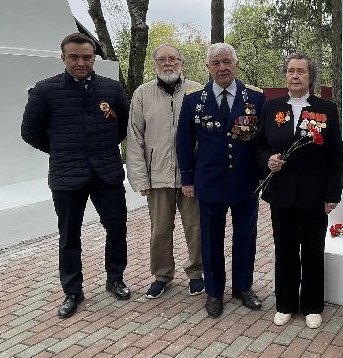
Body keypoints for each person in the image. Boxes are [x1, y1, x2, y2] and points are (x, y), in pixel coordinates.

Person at [21, 32, 131, 319]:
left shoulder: (112, 89)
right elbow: (30, 132)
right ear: (63, 57)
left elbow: (122, 128)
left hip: (106, 172)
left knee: (117, 227)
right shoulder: (45, 91)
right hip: (67, 175)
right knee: (70, 235)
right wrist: (61, 150)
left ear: (94, 57)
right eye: (74, 57)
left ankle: (115, 278)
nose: (81, 62)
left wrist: (102, 148)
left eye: (87, 57)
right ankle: (73, 290)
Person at [176, 43, 265, 318]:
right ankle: (214, 292)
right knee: (211, 240)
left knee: (246, 237)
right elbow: (184, 143)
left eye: (227, 61)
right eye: (216, 63)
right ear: (208, 67)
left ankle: (242, 287)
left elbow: (262, 141)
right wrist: (188, 180)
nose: (222, 67)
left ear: (235, 64)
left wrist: (264, 176)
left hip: (245, 181)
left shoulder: (255, 98)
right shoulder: (193, 101)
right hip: (210, 182)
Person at [256, 54, 343, 329]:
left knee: (313, 250)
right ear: (285, 76)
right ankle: (285, 303)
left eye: (301, 72)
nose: (295, 76)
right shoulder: (271, 108)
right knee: (285, 249)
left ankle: (312, 305)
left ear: (310, 77)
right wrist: (267, 161)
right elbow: (258, 146)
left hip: (314, 195)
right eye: (290, 71)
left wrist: (332, 194)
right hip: (281, 193)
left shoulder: (326, 109)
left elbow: (334, 154)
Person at [126, 44, 205, 299]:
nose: (168, 63)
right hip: (157, 174)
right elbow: (134, 137)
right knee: (160, 230)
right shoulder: (142, 94)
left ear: (181, 61)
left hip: (191, 176)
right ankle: (162, 274)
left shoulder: (198, 91)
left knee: (195, 228)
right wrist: (140, 178)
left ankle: (196, 273)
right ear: (155, 63)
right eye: (162, 59)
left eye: (172, 58)